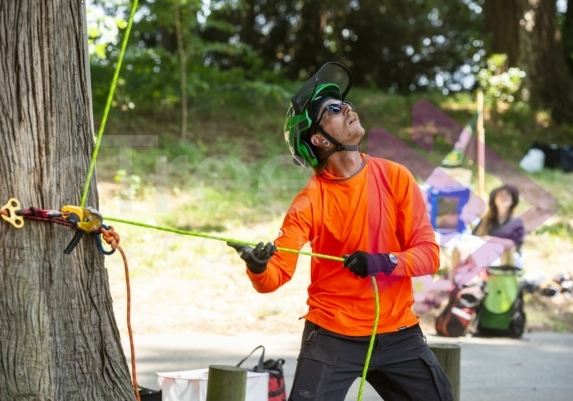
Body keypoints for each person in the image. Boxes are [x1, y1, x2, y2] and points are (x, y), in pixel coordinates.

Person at [228, 62, 454, 401]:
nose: (347, 108)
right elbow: (275, 276)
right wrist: (258, 265)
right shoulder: (310, 200)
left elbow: (428, 255)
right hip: (332, 335)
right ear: (319, 138)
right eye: (333, 109)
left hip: (397, 332)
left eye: (344, 103)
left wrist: (382, 262)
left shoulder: (395, 177)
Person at [472, 184, 525, 253]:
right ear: (494, 200)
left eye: (507, 194)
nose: (504, 197)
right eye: (501, 195)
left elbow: (515, 244)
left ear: (513, 200)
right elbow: (473, 238)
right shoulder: (485, 220)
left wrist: (490, 239)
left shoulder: (517, 222)